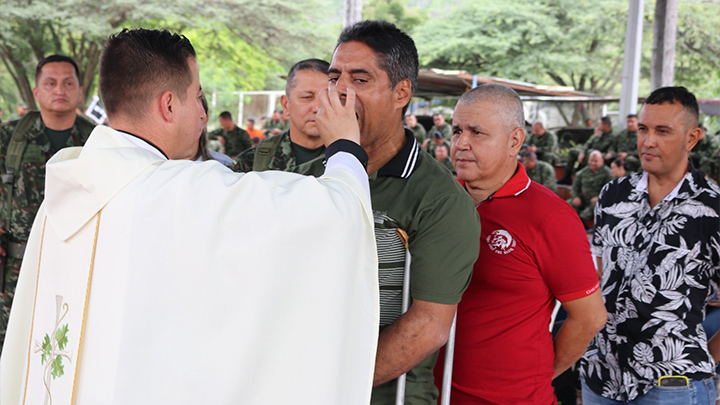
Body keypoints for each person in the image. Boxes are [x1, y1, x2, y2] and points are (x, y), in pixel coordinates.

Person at [0, 28, 380, 405]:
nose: (203, 113)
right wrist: (345, 146)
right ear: (168, 105)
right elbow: (334, 214)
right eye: (197, 97)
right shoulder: (183, 191)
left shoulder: (69, 184)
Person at [326, 20, 480, 404]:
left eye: (360, 80)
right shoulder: (312, 177)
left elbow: (429, 326)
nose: (341, 91)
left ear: (401, 92)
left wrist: (336, 383)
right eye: (334, 78)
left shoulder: (439, 199)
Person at [445, 84, 606, 404]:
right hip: (430, 392)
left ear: (514, 140)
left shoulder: (549, 216)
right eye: (456, 131)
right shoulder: (439, 201)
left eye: (477, 132)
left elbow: (589, 317)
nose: (461, 143)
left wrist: (536, 377)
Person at [580, 86, 720, 404]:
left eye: (662, 131)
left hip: (671, 386)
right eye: (643, 129)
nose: (648, 141)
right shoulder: (612, 195)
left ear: (692, 138)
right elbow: (598, 279)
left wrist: (705, 361)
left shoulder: (712, 209)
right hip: (601, 377)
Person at [0, 55, 95, 351]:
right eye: (50, 83)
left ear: (80, 91)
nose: (60, 90)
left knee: (66, 352)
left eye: (68, 83)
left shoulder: (97, 140)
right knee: (12, 351)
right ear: (37, 91)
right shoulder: (9, 137)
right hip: (15, 270)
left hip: (77, 268)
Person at [232, 59, 329, 174]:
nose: (317, 108)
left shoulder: (347, 160)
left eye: (326, 98)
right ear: (285, 105)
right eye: (307, 97)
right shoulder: (252, 163)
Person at [569, 150, 612, 223]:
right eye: (591, 160)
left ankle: (580, 221)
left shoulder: (608, 173)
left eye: (595, 161)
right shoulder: (582, 172)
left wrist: (599, 197)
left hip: (596, 200)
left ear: (601, 161)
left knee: (596, 205)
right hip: (582, 199)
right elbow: (575, 187)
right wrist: (576, 197)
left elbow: (610, 190)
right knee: (568, 204)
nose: (593, 163)